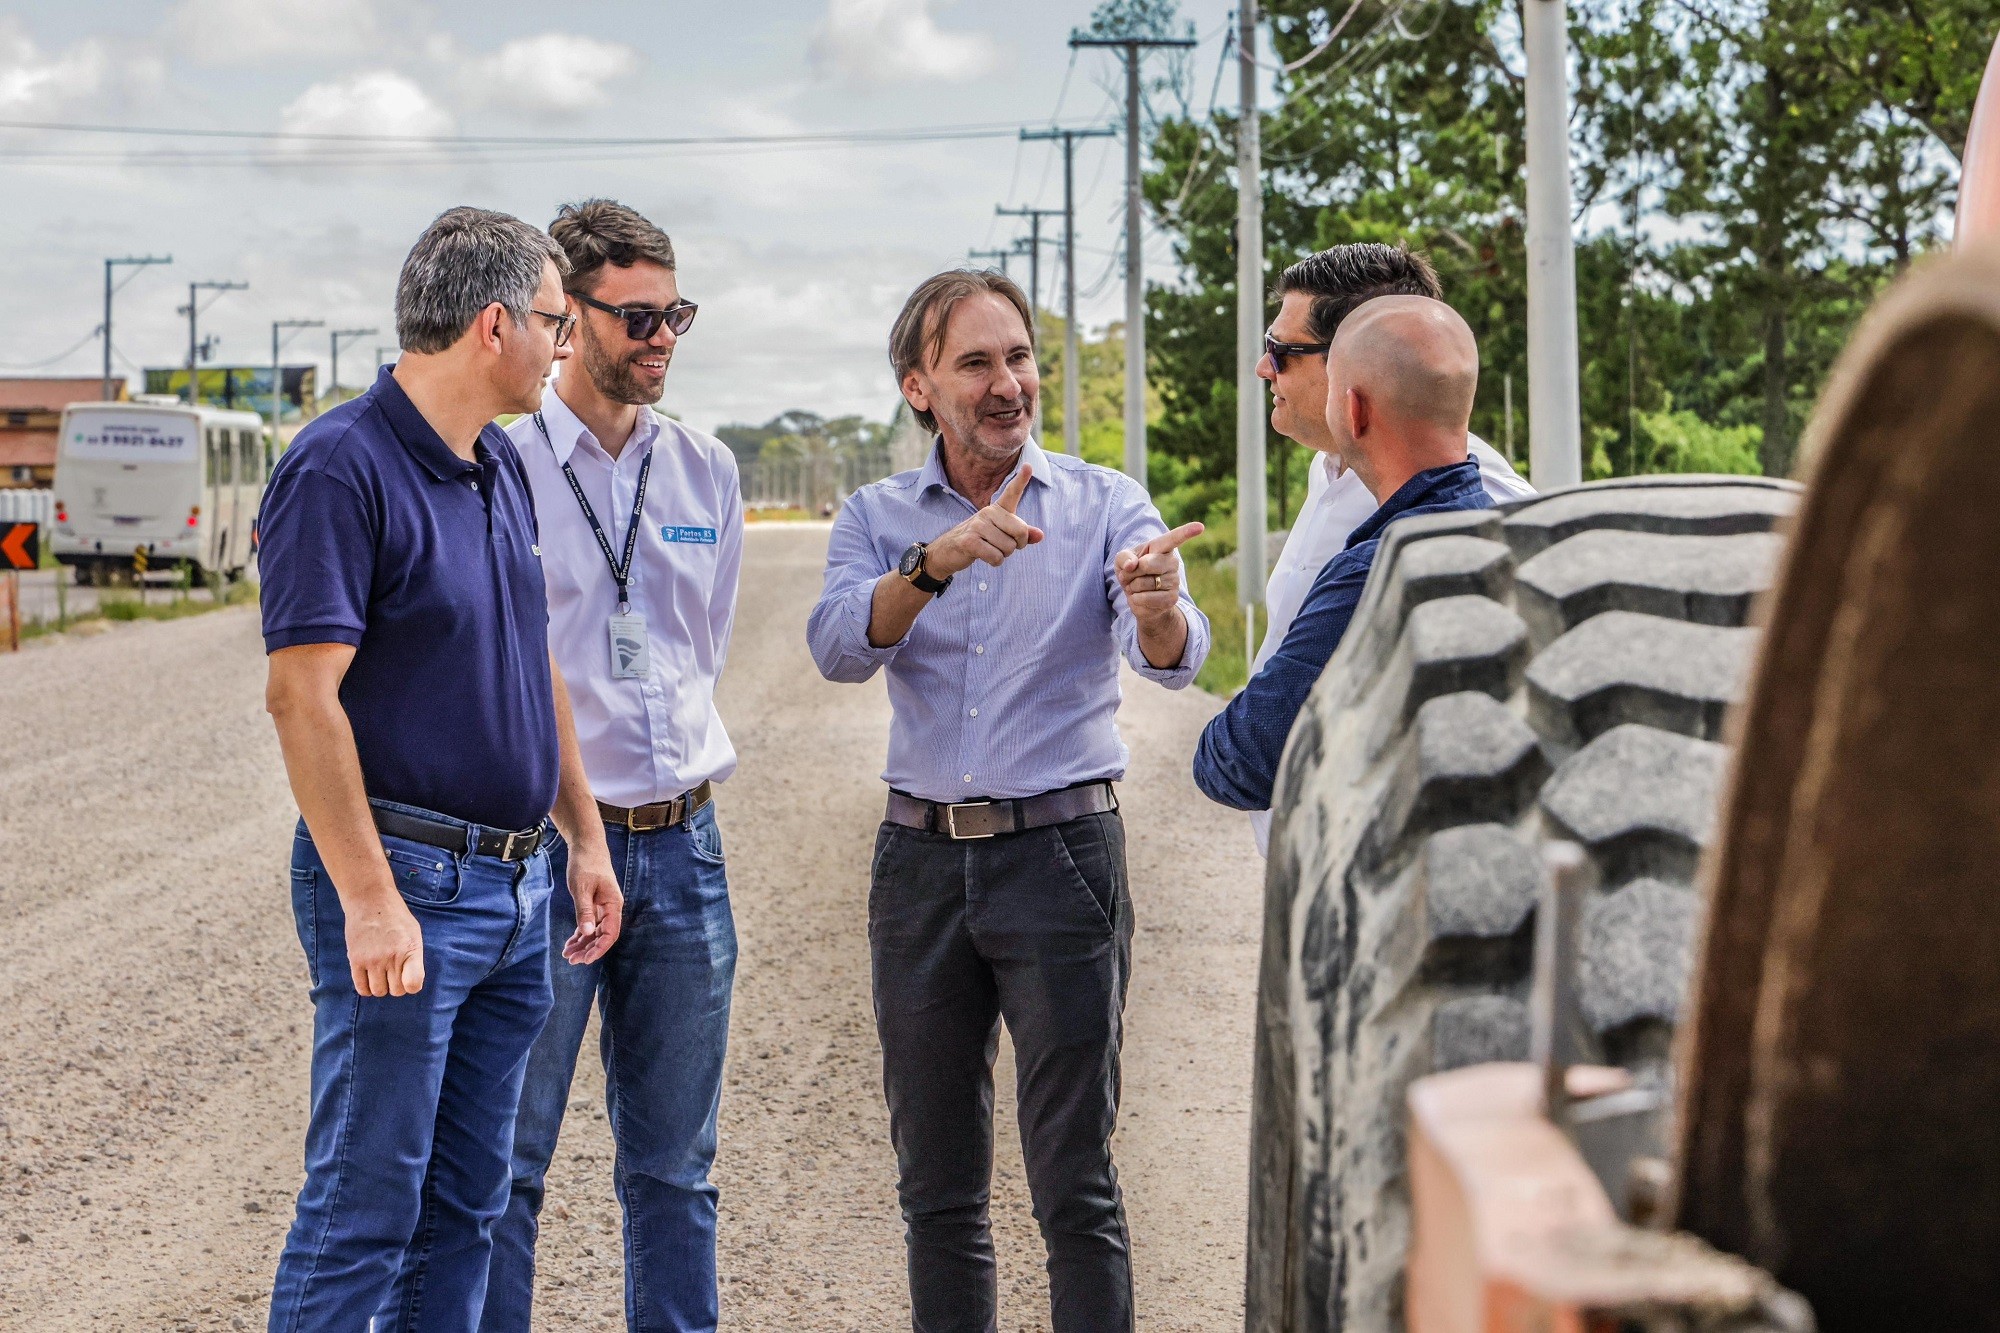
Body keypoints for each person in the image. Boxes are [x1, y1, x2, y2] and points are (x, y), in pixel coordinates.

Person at [805, 269, 1211, 1333]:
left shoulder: (1104, 503)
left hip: (1062, 855)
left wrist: (1159, 610)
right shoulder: (876, 515)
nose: (1006, 383)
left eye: (1018, 357)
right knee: (936, 1186)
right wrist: (933, 562)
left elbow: (1167, 661)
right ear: (917, 387)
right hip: (920, 868)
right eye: (975, 362)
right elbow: (839, 645)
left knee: (1073, 1182)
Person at [259, 206, 623, 1331]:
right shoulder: (338, 466)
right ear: (494, 324)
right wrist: (369, 901)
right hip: (405, 886)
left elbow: (537, 659)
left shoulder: (499, 465)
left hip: (513, 893)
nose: (568, 347)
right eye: (560, 322)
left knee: (469, 1204)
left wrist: (584, 834)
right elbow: (300, 696)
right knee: (366, 1206)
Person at [484, 200, 743, 1333]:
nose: (660, 336)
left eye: (673, 312)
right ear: (568, 314)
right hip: (544, 854)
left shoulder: (705, 470)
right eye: (635, 315)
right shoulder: (502, 464)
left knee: (674, 1172)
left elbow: (704, 646)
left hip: (684, 849)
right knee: (507, 1165)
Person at [1241, 244, 1533, 851]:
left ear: (1354, 369)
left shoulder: (1486, 514)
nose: (1263, 368)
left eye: (1282, 352)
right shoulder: (1334, 469)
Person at [1194, 296, 1499, 817]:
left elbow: (1241, 761)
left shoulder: (1378, 571)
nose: (1265, 368)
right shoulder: (1508, 532)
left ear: (1352, 411)